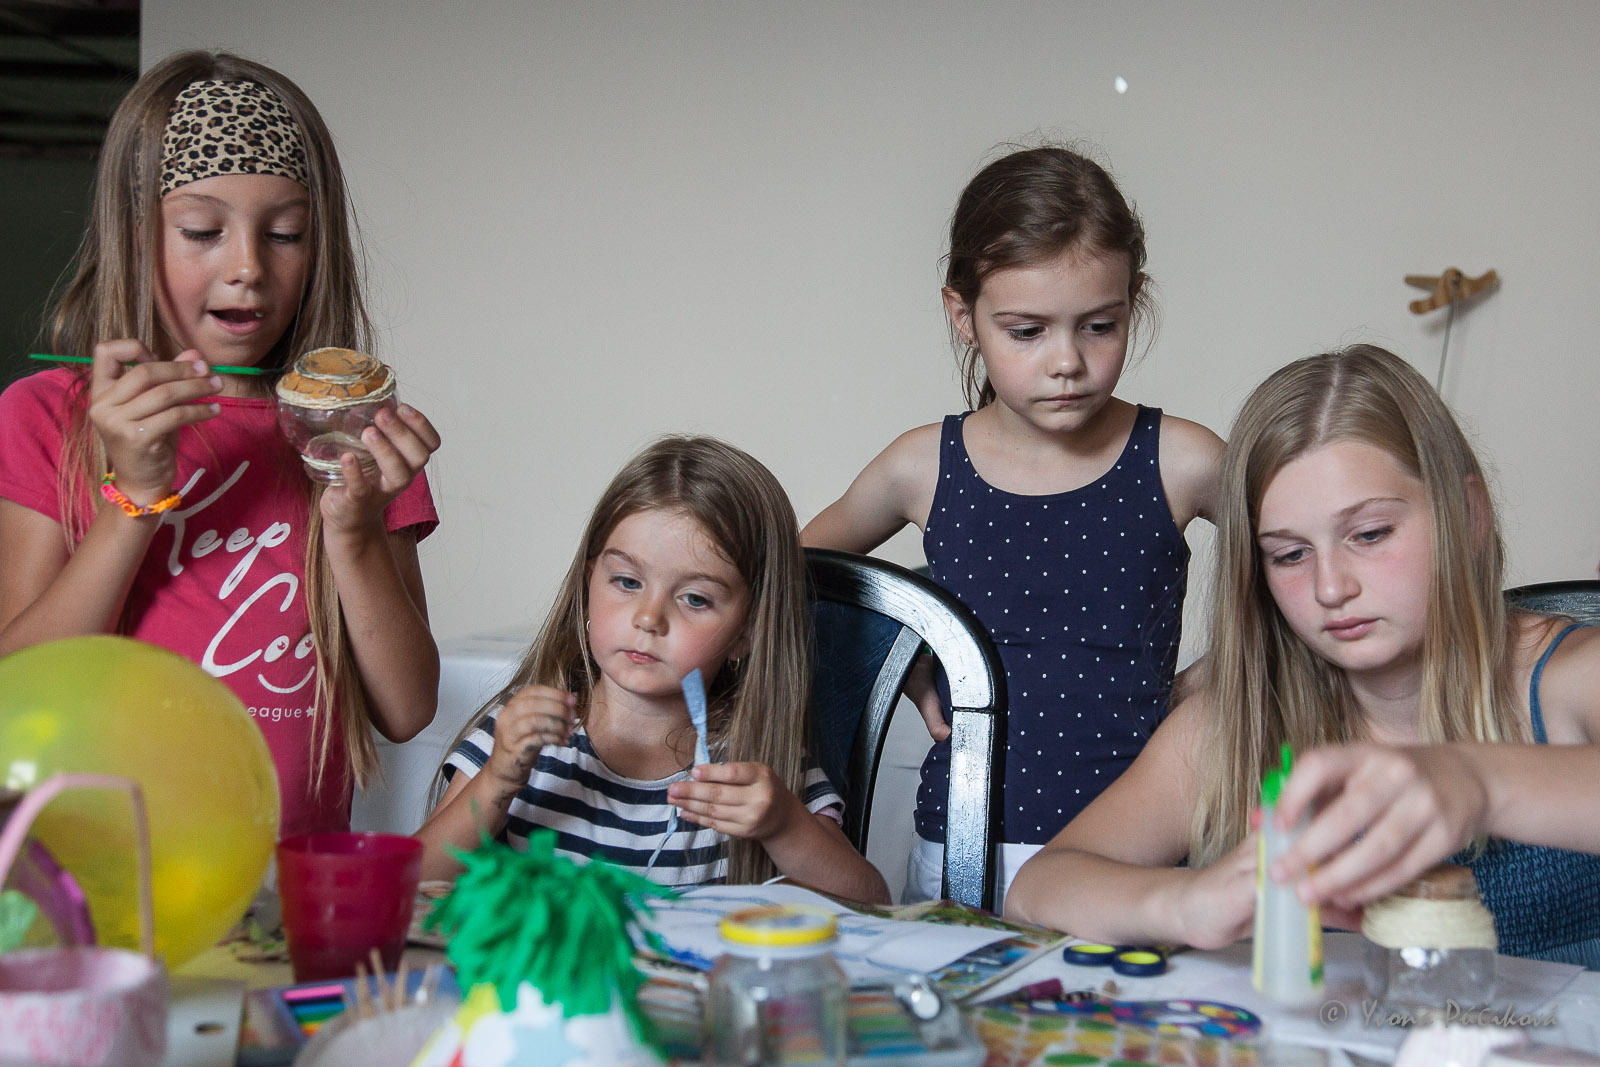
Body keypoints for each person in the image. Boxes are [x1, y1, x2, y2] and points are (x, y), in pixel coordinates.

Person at [1005, 345, 1600, 968]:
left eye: (1369, 534)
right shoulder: (1240, 720)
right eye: (1290, 554)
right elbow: (1038, 889)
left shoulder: (1569, 676)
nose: (1330, 588)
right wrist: (1186, 902)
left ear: (1469, 517)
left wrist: (1478, 782)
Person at [0, 51, 441, 839]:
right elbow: (19, 686)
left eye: (286, 233)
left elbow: (407, 708)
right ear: (133, 236)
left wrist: (353, 530)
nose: (248, 268)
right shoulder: (49, 417)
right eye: (203, 231)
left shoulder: (356, 431)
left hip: (289, 876)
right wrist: (134, 499)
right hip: (99, 873)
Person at [802, 145, 1223, 905]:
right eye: (1027, 331)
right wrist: (901, 646)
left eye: (1100, 325)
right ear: (963, 316)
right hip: (960, 846)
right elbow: (795, 571)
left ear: (1133, 300)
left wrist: (1217, 680)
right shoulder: (921, 465)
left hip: (1137, 857)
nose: (1068, 362)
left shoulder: (1182, 458)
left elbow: (1303, 562)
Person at [417, 436, 890, 903]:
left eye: (695, 599)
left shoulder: (753, 762)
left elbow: (872, 903)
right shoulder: (520, 732)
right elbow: (411, 882)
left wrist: (784, 824)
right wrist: (499, 779)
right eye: (627, 582)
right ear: (588, 583)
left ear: (747, 632)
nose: (648, 618)